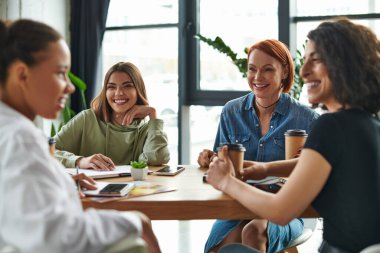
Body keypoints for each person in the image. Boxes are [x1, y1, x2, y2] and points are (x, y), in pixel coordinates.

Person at [207, 17, 380, 253]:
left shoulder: (330, 126)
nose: (304, 71)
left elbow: (281, 211)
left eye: (316, 60)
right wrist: (266, 169)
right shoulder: (368, 123)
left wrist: (226, 181)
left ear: (344, 65)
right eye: (305, 60)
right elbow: (322, 164)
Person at [0, 19, 161, 253]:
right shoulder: (19, 137)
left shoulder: (11, 131)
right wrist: (135, 220)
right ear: (23, 75)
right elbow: (56, 237)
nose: (70, 87)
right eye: (61, 73)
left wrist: (60, 180)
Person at [198, 39, 319, 253]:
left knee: (253, 232)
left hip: (290, 208)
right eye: (252, 69)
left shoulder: (307, 119)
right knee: (226, 243)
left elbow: (311, 178)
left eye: (267, 70)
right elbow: (221, 168)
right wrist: (210, 159)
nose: (257, 77)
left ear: (284, 72)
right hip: (238, 206)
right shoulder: (231, 112)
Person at [54, 61, 170, 170]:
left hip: (133, 190)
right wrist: (80, 161)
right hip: (91, 189)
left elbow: (157, 159)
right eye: (111, 87)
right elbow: (47, 150)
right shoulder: (87, 119)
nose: (118, 93)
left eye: (127, 86)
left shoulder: (147, 129)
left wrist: (153, 115)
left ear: (138, 90)